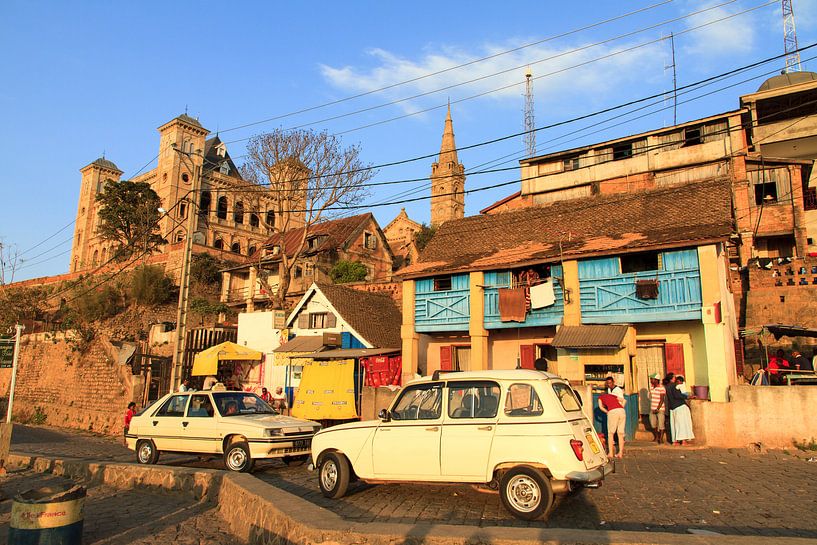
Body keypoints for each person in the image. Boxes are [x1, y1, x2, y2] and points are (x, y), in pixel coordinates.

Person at [665, 373, 694, 445]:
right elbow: (677, 395)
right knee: (683, 423)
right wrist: (688, 397)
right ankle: (683, 440)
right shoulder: (673, 386)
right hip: (679, 406)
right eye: (674, 377)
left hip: (672, 408)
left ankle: (675, 441)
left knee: (674, 424)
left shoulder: (667, 386)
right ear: (672, 378)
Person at [598, 391, 626, 459]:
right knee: (620, 433)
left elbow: (600, 407)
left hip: (612, 412)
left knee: (611, 433)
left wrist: (607, 412)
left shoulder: (600, 397)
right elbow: (624, 400)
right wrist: (621, 407)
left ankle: (610, 453)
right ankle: (620, 453)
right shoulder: (612, 395)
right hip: (622, 411)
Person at [648, 373, 666, 444]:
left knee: (661, 424)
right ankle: (656, 437)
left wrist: (657, 408)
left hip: (660, 409)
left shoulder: (661, 388)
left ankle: (661, 439)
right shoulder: (651, 388)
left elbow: (662, 399)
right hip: (652, 408)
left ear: (656, 380)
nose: (651, 380)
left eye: (652, 379)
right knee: (653, 424)